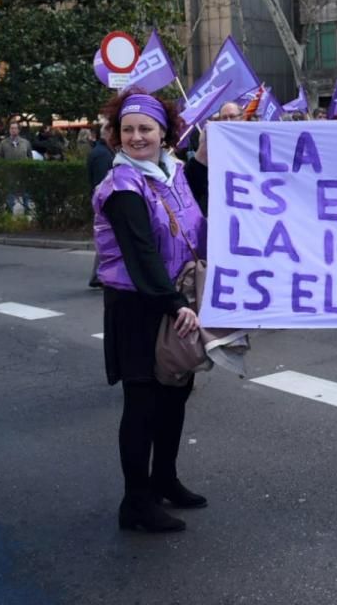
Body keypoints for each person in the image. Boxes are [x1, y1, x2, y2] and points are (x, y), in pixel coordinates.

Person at [92, 89, 207, 533]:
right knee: (142, 404)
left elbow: (197, 211)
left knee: (176, 394)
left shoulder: (172, 173)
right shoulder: (121, 185)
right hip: (139, 306)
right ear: (117, 137)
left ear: (164, 133)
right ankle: (135, 502)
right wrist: (176, 304)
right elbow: (141, 254)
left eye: (146, 128)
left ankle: (165, 480)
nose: (137, 136)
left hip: (175, 299)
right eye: (128, 130)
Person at [86, 121, 115, 288]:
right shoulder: (103, 155)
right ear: (108, 133)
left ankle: (98, 275)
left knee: (105, 239)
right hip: (105, 203)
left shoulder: (100, 152)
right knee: (107, 238)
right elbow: (103, 183)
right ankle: (100, 275)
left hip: (101, 202)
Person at [0, 120, 33, 212]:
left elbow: (30, 157)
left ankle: (27, 207)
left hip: (23, 170)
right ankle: (10, 208)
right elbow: (1, 158)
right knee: (10, 189)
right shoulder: (3, 143)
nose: (13, 130)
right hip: (9, 170)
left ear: (18, 130)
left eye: (15, 128)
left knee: (25, 189)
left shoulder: (25, 143)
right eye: (11, 128)